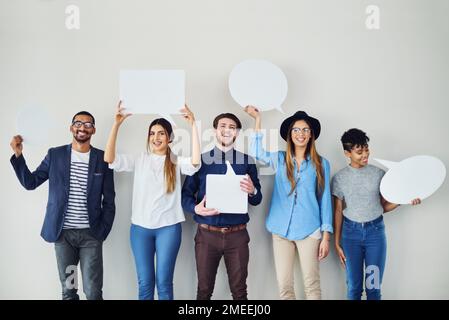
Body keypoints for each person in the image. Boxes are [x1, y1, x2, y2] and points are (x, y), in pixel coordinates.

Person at [10, 111, 115, 300]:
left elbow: (109, 200)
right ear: (71, 127)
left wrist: (102, 230)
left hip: (90, 237)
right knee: (69, 290)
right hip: (64, 237)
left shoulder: (102, 159)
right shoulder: (55, 155)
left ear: (94, 130)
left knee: (92, 291)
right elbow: (30, 182)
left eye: (88, 124)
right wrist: (18, 154)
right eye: (78, 123)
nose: (82, 127)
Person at [104, 101, 200, 300]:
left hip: (169, 228)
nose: (156, 138)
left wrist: (192, 125)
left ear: (169, 138)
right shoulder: (140, 159)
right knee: (145, 284)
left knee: (164, 283)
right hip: (140, 229)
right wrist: (117, 124)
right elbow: (109, 159)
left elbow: (195, 163)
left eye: (161, 133)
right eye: (152, 133)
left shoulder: (174, 162)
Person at [245, 106, 332, 300]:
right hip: (280, 230)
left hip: (309, 230)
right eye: (296, 130)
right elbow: (256, 151)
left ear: (311, 135)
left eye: (305, 130)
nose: (300, 134)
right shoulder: (280, 159)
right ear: (289, 135)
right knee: (284, 286)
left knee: (311, 285)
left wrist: (326, 236)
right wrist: (257, 119)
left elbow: (325, 200)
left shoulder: (321, 163)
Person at [332, 128, 421, 300]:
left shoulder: (379, 175)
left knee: (373, 287)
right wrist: (337, 242)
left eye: (366, 149)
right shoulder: (340, 178)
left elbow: (383, 207)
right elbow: (337, 210)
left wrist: (405, 199)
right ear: (347, 153)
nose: (365, 154)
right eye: (359, 151)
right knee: (354, 287)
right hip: (350, 236)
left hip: (375, 235)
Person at [181, 112, 262, 300]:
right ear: (214, 130)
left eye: (232, 127)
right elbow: (185, 195)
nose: (227, 130)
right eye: (223, 126)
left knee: (240, 292)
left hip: (238, 236)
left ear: (237, 133)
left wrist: (252, 191)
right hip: (206, 235)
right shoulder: (199, 160)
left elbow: (257, 199)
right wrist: (195, 208)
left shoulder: (247, 161)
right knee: (203, 291)